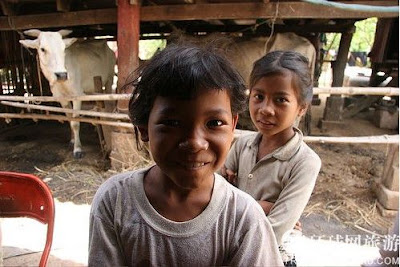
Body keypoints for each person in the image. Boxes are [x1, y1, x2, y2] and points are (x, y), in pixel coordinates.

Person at [88, 42, 283, 266]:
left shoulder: (243, 219)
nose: (194, 143)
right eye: (172, 123)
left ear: (232, 127)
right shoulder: (115, 203)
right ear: (144, 127)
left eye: (215, 123)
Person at [221, 50, 321, 266]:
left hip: (269, 256)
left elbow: (275, 229)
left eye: (281, 100)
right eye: (259, 96)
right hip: (228, 248)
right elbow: (216, 198)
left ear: (301, 108)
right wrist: (261, 207)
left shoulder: (304, 162)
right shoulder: (242, 145)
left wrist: (238, 205)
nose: (265, 109)